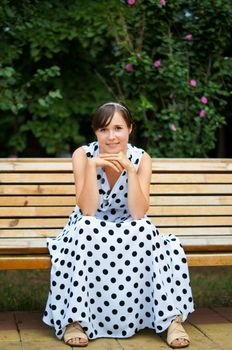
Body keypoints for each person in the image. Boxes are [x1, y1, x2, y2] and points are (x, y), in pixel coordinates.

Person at [43, 102, 194, 348]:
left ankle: (171, 320)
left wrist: (130, 171)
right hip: (90, 225)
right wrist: (93, 167)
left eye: (118, 128)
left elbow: (138, 212)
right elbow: (88, 210)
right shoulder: (83, 155)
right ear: (95, 132)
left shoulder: (142, 158)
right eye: (103, 130)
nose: (111, 136)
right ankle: (75, 321)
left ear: (130, 129)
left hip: (129, 226)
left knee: (146, 230)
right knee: (86, 229)